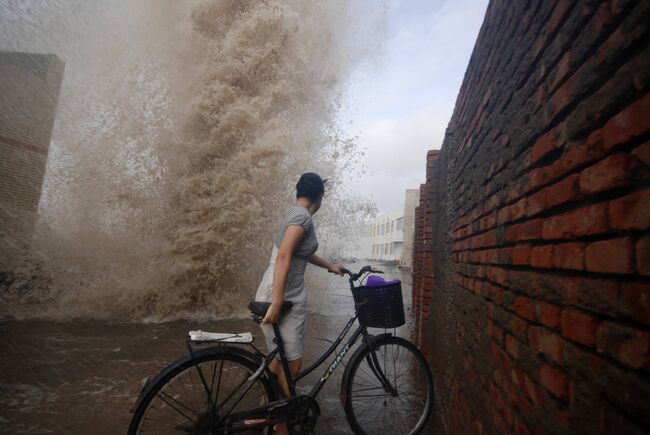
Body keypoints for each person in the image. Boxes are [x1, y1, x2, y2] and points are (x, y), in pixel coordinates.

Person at [254, 172, 344, 433]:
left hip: (277, 289)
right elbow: (284, 256)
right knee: (291, 366)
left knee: (277, 360)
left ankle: (265, 414)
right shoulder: (302, 217)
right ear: (320, 196)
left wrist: (330, 266)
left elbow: (297, 252)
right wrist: (278, 301)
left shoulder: (294, 213)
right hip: (283, 295)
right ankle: (280, 428)